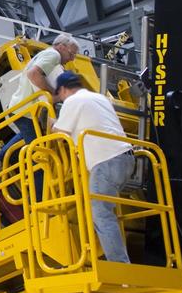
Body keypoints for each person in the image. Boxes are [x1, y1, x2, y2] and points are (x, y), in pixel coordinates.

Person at [52, 70, 132, 263]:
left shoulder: (72, 102)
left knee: (100, 213)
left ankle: (120, 267)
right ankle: (119, 260)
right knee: (106, 211)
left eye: (59, 94)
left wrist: (49, 121)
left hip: (106, 162)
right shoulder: (99, 98)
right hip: (127, 160)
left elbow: (59, 132)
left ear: (63, 89)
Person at [0, 33, 80, 167]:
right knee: (39, 153)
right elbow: (33, 74)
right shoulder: (54, 55)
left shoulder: (49, 56)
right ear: (61, 47)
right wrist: (53, 92)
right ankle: (39, 185)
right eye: (71, 54)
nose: (71, 59)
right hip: (26, 110)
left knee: (29, 136)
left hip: (22, 109)